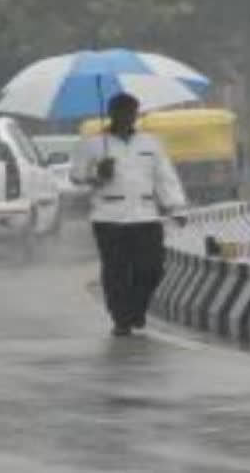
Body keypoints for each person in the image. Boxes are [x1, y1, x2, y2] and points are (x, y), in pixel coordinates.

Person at [70, 92, 188, 337]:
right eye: (122, 112)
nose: (127, 117)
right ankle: (121, 319)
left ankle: (137, 309)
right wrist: (97, 175)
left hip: (145, 215)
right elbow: (76, 178)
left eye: (131, 112)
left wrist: (176, 206)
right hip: (108, 217)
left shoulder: (150, 143)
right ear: (112, 113)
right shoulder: (92, 144)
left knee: (152, 268)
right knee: (116, 271)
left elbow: (164, 177)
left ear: (136, 114)